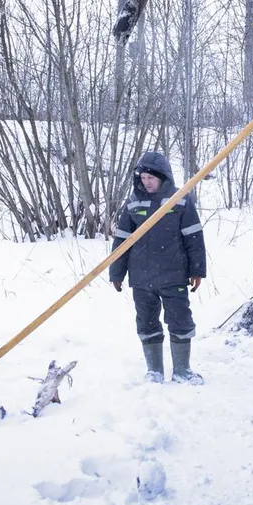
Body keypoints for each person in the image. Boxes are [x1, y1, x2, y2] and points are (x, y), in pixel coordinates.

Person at [109, 151, 207, 385]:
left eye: (151, 178)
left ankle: (182, 370)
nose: (147, 182)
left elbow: (193, 236)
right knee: (146, 321)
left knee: (180, 320)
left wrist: (197, 270)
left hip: (174, 275)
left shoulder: (180, 199)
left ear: (163, 176)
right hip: (142, 277)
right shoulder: (134, 202)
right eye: (142, 178)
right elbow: (122, 238)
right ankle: (154, 370)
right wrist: (116, 271)